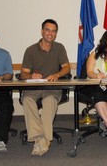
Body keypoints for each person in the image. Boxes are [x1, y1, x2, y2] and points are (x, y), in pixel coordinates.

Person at [20, 19, 70, 156]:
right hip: (34, 87)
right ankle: (40, 137)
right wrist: (31, 76)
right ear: (42, 31)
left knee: (50, 100)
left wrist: (57, 74)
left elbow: (67, 68)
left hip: (51, 87)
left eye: (53, 31)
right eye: (47, 30)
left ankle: (42, 140)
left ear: (56, 34)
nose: (50, 33)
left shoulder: (59, 48)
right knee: (27, 99)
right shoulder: (30, 50)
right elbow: (23, 73)